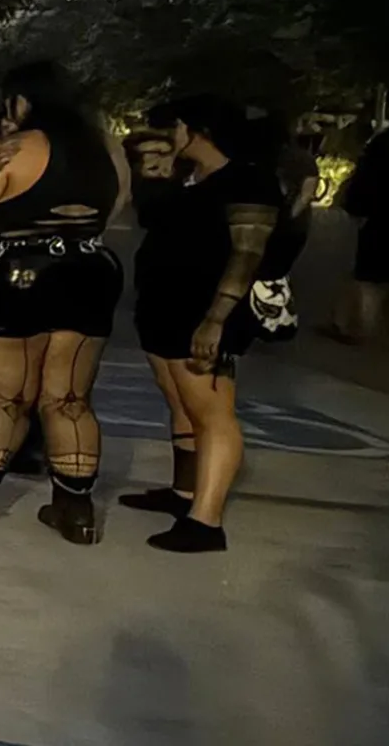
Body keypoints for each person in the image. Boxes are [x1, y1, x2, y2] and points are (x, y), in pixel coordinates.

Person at [0, 62, 127, 545]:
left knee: (4, 398)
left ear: (20, 101)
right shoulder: (105, 150)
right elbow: (117, 207)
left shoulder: (14, 149)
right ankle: (75, 511)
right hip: (90, 268)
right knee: (68, 399)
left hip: (18, 271)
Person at [121, 96, 282, 554]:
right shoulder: (190, 178)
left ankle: (205, 520)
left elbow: (246, 255)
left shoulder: (248, 179)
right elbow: (153, 218)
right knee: (181, 402)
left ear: (198, 130)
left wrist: (216, 320)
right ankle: (184, 492)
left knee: (212, 413)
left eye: (174, 127)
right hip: (163, 307)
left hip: (204, 311)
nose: (167, 135)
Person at [335, 123, 389, 348]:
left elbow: (363, 179)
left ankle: (362, 328)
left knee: (369, 276)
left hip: (380, 217)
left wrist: (357, 209)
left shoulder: (383, 143)